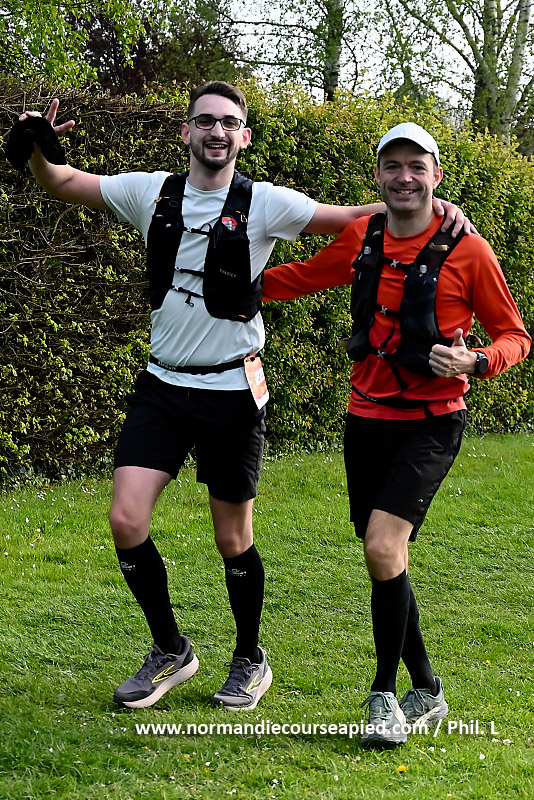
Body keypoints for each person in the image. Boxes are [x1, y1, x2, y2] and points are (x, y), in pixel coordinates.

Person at [9, 88, 468, 713]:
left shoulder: (266, 202)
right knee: (126, 520)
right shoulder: (152, 192)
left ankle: (250, 658)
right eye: (205, 121)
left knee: (233, 537)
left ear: (244, 137)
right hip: (163, 385)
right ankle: (170, 649)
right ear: (186, 132)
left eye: (230, 123)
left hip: (231, 389)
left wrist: (436, 210)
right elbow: (64, 181)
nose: (217, 131)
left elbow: (351, 218)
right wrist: (37, 148)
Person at [263, 122, 531, 745]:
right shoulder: (364, 235)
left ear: (436, 174)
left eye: (417, 166)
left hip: (432, 422)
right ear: (378, 175)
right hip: (366, 418)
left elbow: (516, 336)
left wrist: (475, 361)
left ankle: (384, 697)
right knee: (385, 556)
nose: (404, 177)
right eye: (392, 166)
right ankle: (428, 689)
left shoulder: (470, 251)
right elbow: (304, 276)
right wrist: (226, 288)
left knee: (384, 548)